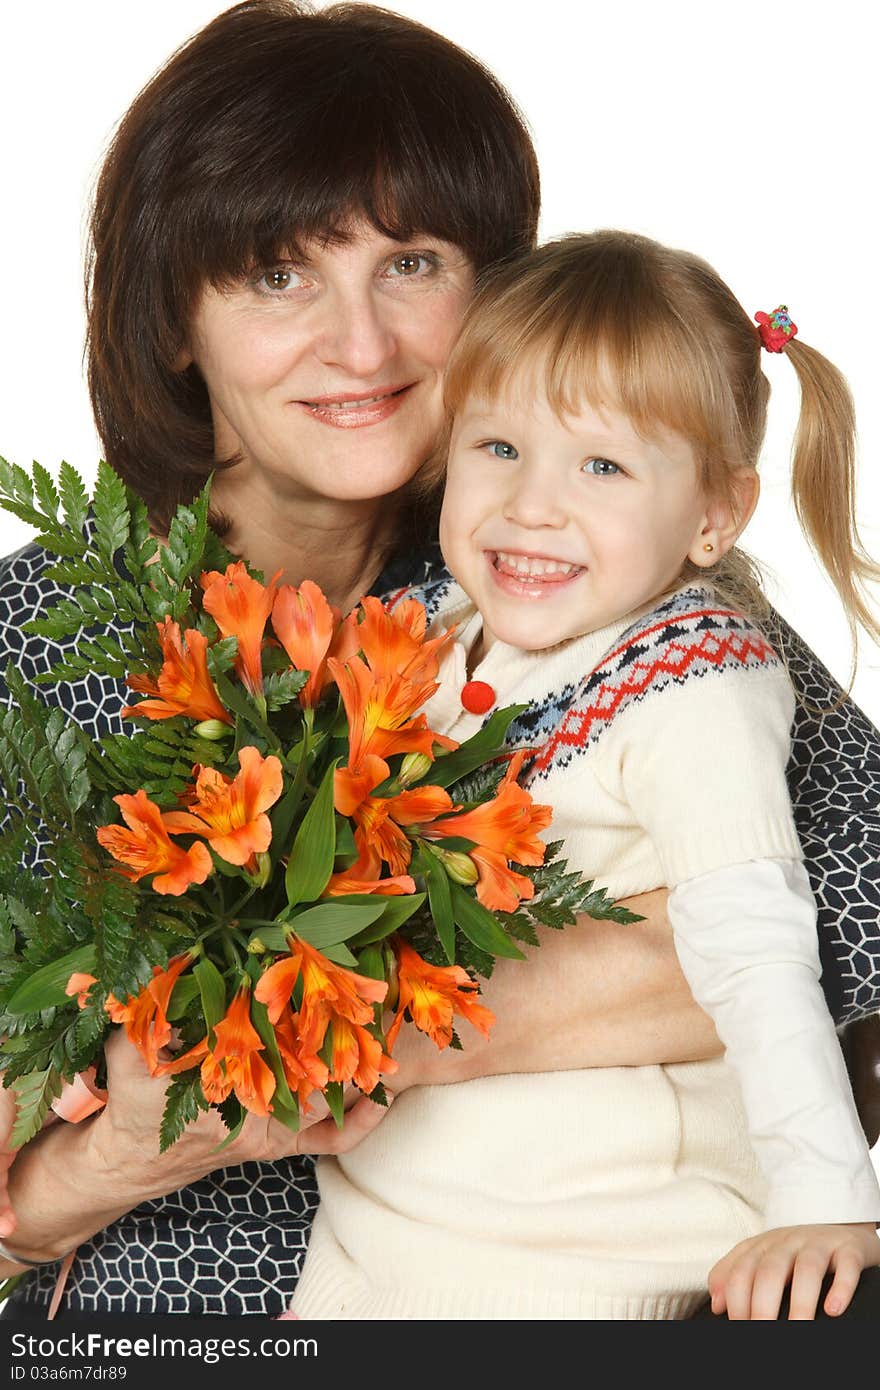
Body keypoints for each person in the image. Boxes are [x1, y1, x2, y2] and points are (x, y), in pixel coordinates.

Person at [0, 1, 877, 1319]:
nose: (361, 346)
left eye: (412, 263)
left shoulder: (565, 558)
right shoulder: (50, 645)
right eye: (278, 274)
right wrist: (115, 1155)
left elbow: (842, 918)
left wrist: (327, 1036)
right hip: (169, 1335)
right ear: (173, 320)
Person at [288, 230, 880, 1321]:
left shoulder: (693, 684)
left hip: (582, 1248)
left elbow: (756, 947)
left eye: (601, 465)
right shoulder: (428, 634)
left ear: (714, 515)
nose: (532, 504)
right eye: (498, 446)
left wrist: (825, 1199)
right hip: (378, 1236)